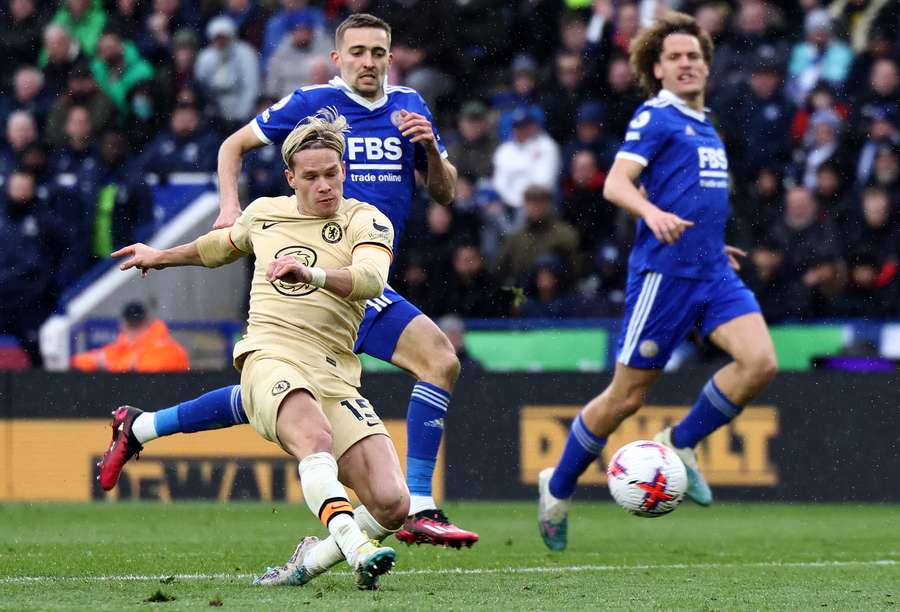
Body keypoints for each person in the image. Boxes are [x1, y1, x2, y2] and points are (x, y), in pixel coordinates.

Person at [97, 13, 477, 548]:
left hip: (360, 276)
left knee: (429, 364)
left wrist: (433, 151)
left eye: (378, 52)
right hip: (303, 274)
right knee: (294, 387)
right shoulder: (310, 104)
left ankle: (140, 427)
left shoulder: (410, 107)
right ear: (337, 58)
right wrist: (229, 208)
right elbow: (232, 145)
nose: (369, 61)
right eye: (358, 52)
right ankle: (419, 504)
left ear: (391, 58)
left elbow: (445, 193)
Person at [109, 115, 405, 590]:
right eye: (311, 177)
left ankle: (309, 561)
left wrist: (312, 276)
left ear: (343, 170)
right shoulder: (264, 213)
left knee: (393, 502)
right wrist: (159, 256)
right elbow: (218, 247)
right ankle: (355, 547)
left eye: (332, 173)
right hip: (270, 355)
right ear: (291, 178)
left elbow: (371, 279)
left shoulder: (365, 220)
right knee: (314, 437)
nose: (324, 185)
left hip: (335, 372)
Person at [537, 12, 778, 551]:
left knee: (760, 362)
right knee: (626, 397)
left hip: (713, 271)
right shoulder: (657, 115)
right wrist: (651, 213)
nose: (687, 64)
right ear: (658, 69)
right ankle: (556, 486)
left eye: (695, 55)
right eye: (676, 57)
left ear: (706, 65)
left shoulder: (705, 123)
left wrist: (712, 243)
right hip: (664, 277)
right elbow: (617, 185)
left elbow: (697, 195)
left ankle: (681, 443)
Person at [71, 302, 189, 372]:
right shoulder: (123, 346)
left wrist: (110, 365)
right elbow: (79, 361)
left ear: (124, 324)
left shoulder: (164, 347)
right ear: (147, 320)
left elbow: (149, 375)